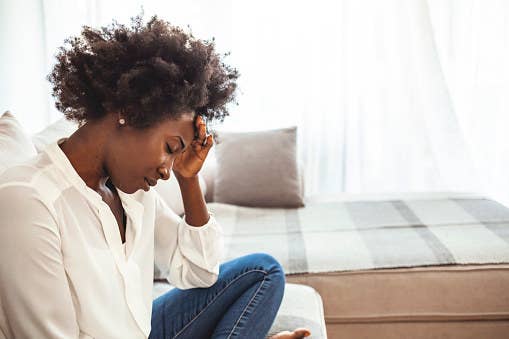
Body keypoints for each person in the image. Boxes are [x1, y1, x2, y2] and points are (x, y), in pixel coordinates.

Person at [0, 15, 311, 339]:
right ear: (129, 112)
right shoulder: (27, 201)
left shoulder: (131, 191)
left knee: (263, 271)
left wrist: (188, 180)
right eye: (170, 147)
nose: (167, 169)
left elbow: (199, 271)